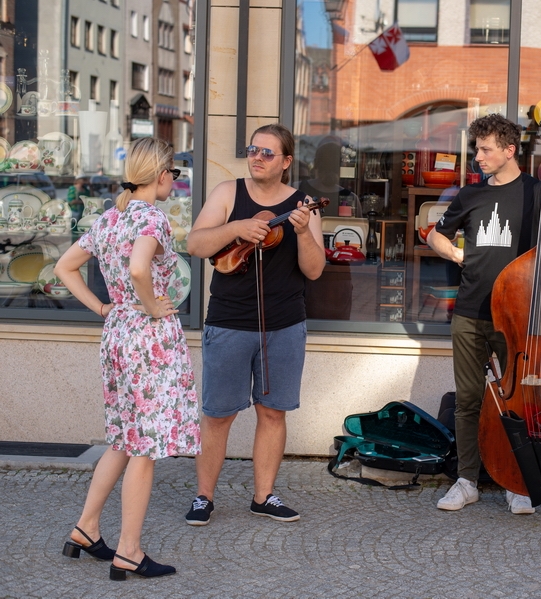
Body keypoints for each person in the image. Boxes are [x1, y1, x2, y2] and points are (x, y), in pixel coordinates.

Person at [55, 137, 200, 580]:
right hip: (147, 335)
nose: (174, 182)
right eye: (173, 174)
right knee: (144, 445)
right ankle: (129, 551)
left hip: (118, 332)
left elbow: (63, 267)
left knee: (123, 437)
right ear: (160, 175)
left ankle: (86, 527)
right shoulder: (151, 219)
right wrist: (153, 306)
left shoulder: (109, 218)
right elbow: (140, 269)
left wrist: (102, 307)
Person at [426, 114, 541, 515]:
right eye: (477, 148)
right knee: (468, 400)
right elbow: (434, 234)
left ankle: (516, 481)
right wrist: (456, 253)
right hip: (471, 310)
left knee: (520, 399)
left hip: (517, 315)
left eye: (485, 149)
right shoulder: (469, 195)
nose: (478, 156)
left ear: (509, 150)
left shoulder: (538, 192)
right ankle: (466, 481)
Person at [184, 123, 325, 525]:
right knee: (218, 414)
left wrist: (302, 234)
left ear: (286, 161)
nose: (257, 157)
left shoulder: (304, 204)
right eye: (253, 150)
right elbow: (195, 244)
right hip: (229, 321)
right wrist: (235, 228)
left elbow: (314, 271)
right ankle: (203, 496)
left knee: (273, 412)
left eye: (267, 152)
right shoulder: (229, 193)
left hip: (284, 324)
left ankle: (263, 496)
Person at [299, 141, 361, 218]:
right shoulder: (298, 188)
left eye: (332, 165)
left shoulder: (297, 188)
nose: (329, 170)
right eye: (325, 164)